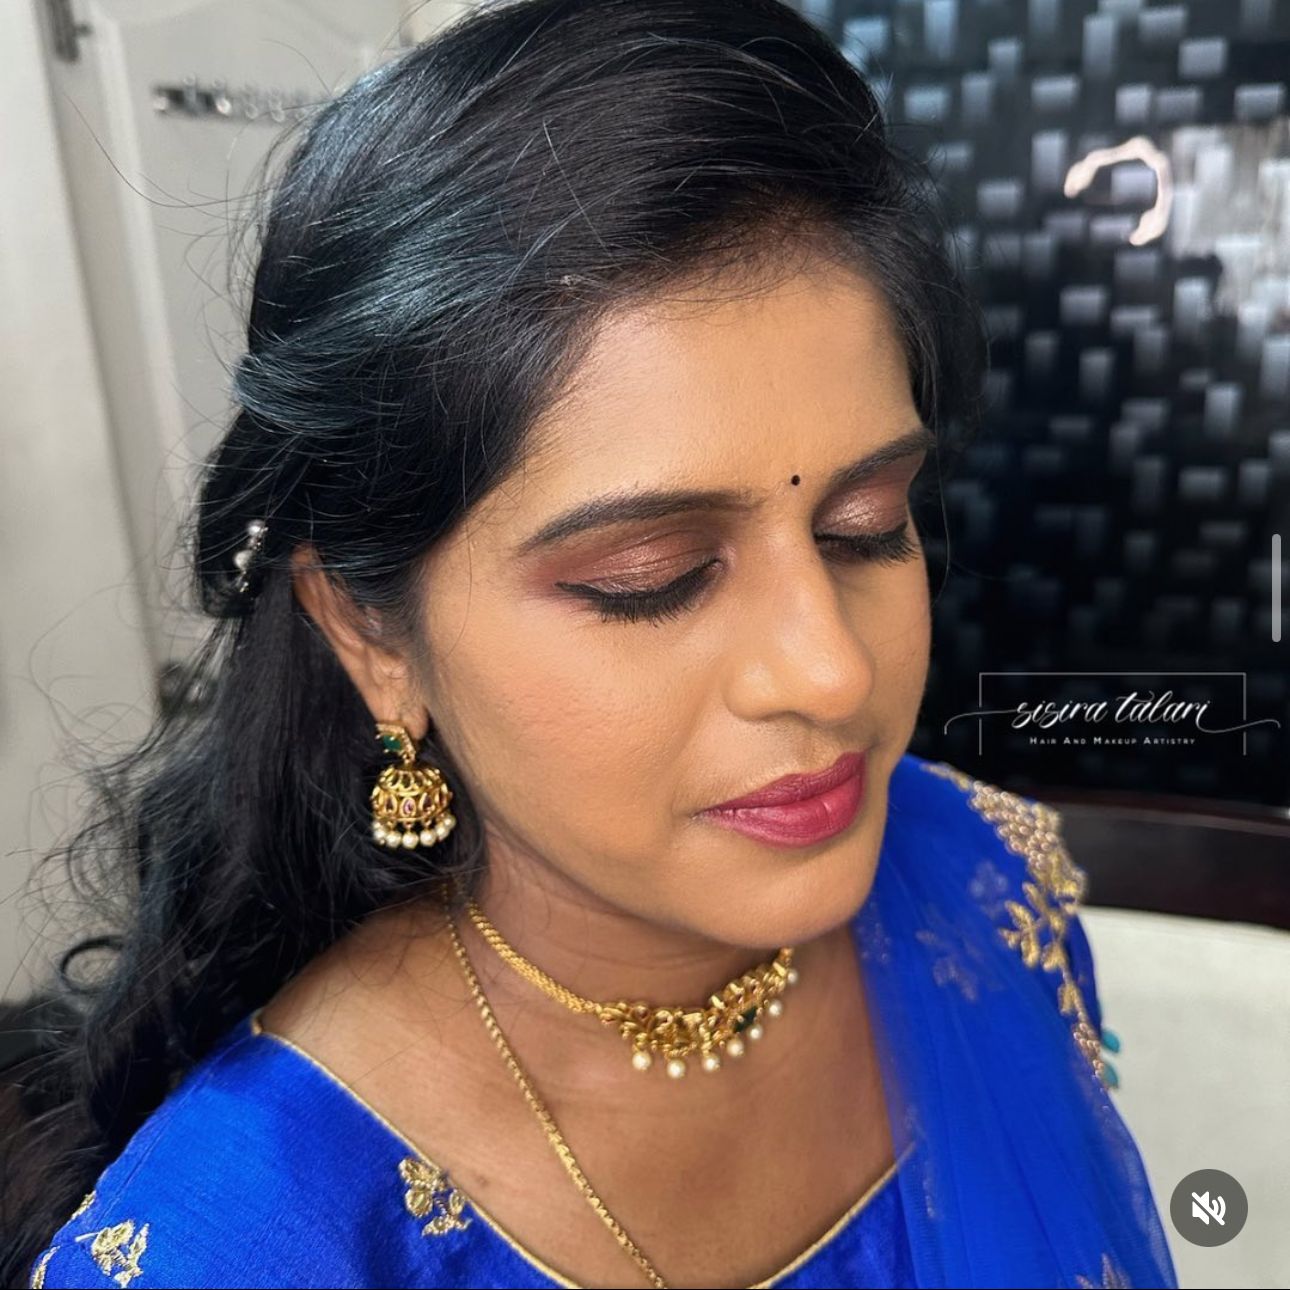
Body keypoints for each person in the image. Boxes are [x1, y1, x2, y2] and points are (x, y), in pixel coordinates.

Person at [3, 1, 1177, 1286]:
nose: (831, 671)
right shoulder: (253, 1237)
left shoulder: (983, 884)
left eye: (865, 529)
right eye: (650, 582)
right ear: (369, 632)